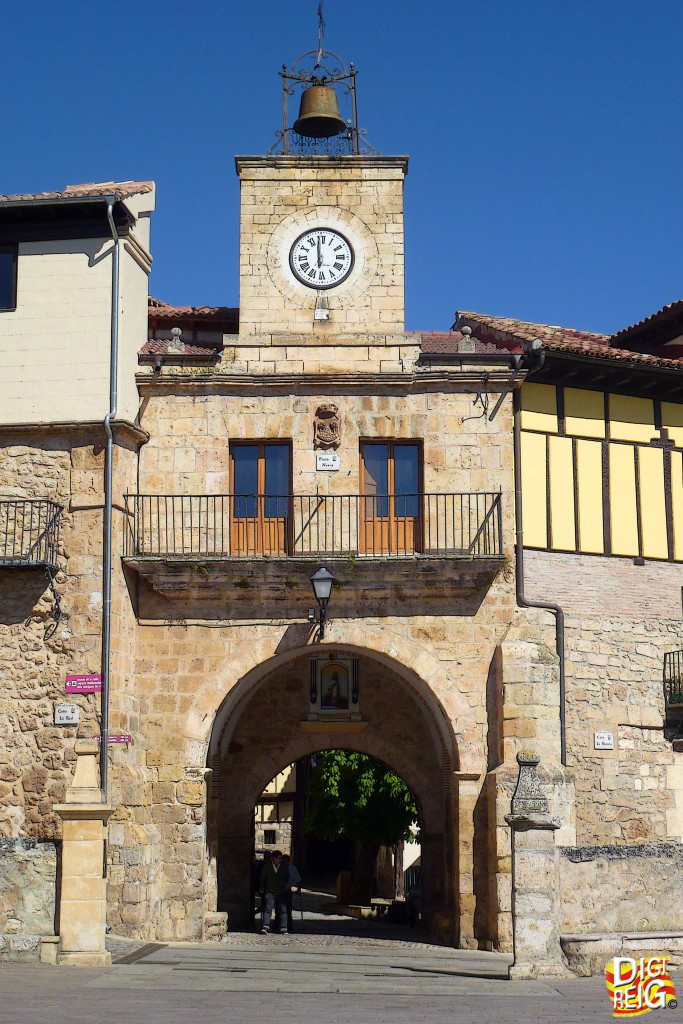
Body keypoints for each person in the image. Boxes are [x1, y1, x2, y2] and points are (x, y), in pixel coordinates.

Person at [259, 849, 288, 934]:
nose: (280, 860)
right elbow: (262, 878)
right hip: (270, 891)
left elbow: (287, 878)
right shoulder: (267, 867)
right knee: (268, 909)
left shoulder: (283, 867)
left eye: (281, 858)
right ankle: (266, 926)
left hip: (280, 891)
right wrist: (262, 887)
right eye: (279, 858)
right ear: (274, 858)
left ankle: (283, 927)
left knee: (283, 910)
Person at [282, 853, 302, 933]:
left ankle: (289, 925)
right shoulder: (278, 867)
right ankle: (278, 924)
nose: (285, 863)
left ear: (289, 861)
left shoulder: (292, 868)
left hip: (287, 891)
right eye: (283, 861)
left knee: (288, 909)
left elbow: (298, 880)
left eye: (286, 861)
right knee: (279, 909)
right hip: (279, 890)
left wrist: (298, 889)